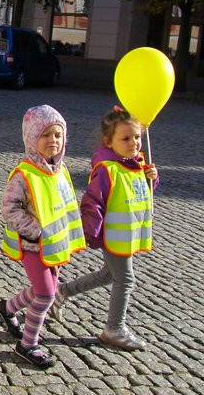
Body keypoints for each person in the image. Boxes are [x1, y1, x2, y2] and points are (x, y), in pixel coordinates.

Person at [50, 108, 158, 350]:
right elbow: (92, 203)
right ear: (109, 142)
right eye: (126, 139)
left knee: (108, 275)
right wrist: (89, 233)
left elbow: (141, 193)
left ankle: (61, 292)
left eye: (137, 137)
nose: (134, 143)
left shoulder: (137, 164)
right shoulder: (107, 169)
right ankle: (114, 328)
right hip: (113, 236)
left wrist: (152, 178)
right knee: (125, 279)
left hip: (127, 235)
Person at [0, 105, 86, 369]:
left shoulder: (61, 171)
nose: (53, 141)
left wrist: (73, 234)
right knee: (46, 295)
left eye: (58, 135)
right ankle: (28, 344)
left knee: (42, 290)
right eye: (46, 135)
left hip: (54, 245)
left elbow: (67, 206)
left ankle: (9, 308)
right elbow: (9, 208)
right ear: (32, 139)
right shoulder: (25, 174)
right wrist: (35, 232)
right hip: (33, 245)